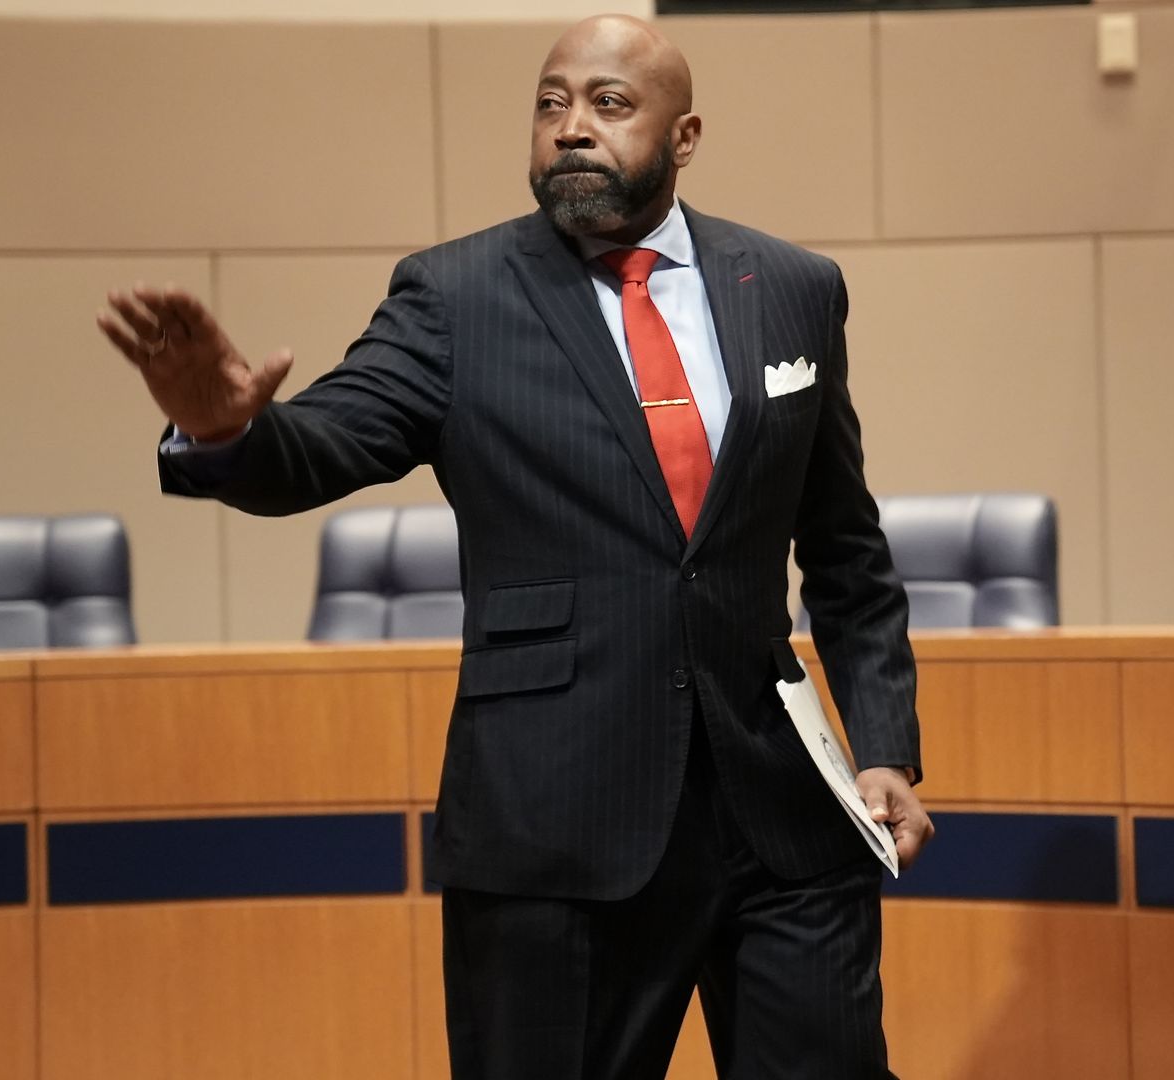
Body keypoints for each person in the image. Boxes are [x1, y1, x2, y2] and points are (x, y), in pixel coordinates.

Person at [94, 14, 931, 1080]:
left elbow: (849, 557)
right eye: (551, 104)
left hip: (781, 821)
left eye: (609, 105)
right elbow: (321, 446)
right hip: (556, 826)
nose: (571, 128)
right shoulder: (456, 297)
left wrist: (887, 747)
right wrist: (225, 428)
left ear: (684, 136)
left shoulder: (794, 288)